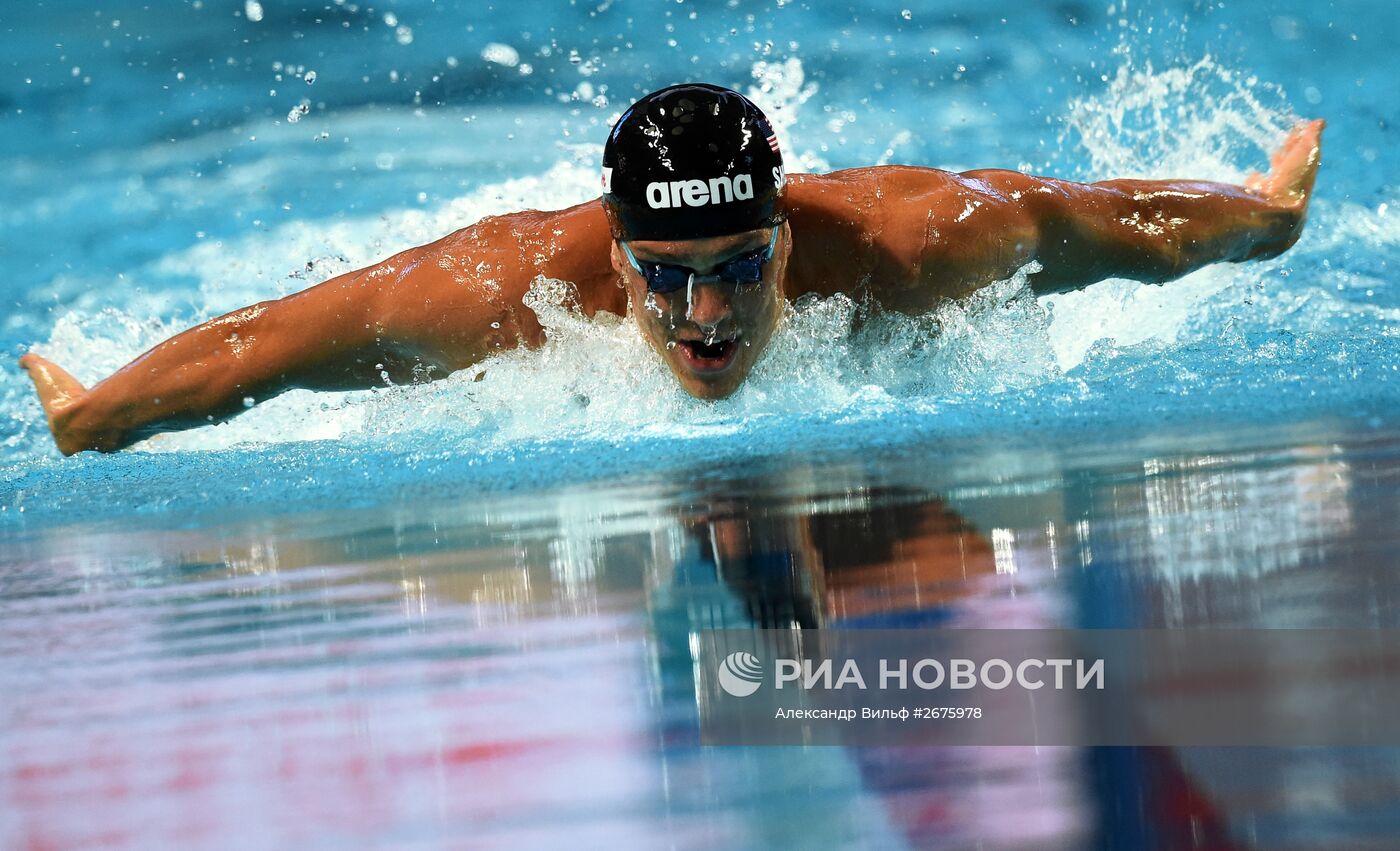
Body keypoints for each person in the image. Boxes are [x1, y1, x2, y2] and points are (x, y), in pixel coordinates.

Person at [21, 82, 1324, 455]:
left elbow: (1099, 222)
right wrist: (103, 415)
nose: (705, 319)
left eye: (741, 268)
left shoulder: (918, 246)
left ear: (789, 236)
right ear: (621, 254)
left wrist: (1262, 214)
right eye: (668, 276)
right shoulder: (509, 295)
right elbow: (274, 344)